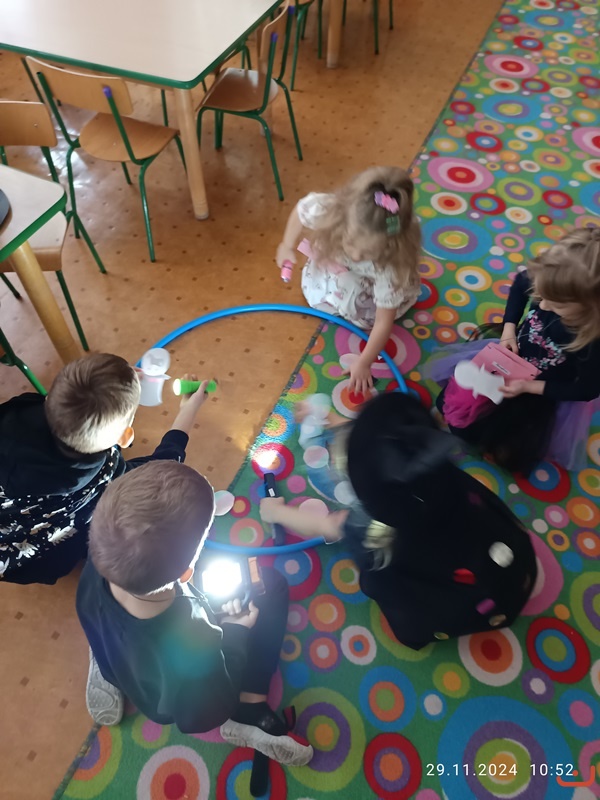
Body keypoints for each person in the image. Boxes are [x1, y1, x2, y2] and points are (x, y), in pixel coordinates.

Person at [76, 461, 313, 767]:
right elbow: (204, 714)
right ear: (187, 572)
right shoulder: (198, 638)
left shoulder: (97, 563)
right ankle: (248, 709)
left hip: (119, 648)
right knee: (273, 585)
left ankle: (108, 670)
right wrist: (235, 631)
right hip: (180, 693)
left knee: (121, 642)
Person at [260, 392, 537, 651]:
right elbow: (391, 448)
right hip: (514, 561)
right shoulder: (435, 469)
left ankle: (424, 629)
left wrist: (276, 513)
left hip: (473, 602)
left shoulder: (368, 529)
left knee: (394, 593)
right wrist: (330, 420)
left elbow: (327, 527)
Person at [0, 353, 209, 585]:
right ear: (125, 437)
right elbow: (163, 465)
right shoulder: (106, 476)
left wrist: (110, 385)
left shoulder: (18, 408)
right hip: (38, 551)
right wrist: (189, 407)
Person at [427, 227, 600, 472]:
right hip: (508, 358)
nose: (543, 305)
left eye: (557, 305)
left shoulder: (591, 342)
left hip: (541, 388)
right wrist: (509, 328)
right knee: (453, 408)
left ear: (592, 308)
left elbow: (587, 389)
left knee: (503, 443)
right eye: (540, 295)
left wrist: (529, 387)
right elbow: (520, 285)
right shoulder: (551, 278)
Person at [276, 166, 422, 394]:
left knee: (365, 313)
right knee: (329, 282)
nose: (355, 255)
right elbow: (301, 210)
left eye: (367, 253)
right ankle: (337, 283)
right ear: (342, 219)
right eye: (351, 243)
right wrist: (285, 245)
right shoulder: (333, 210)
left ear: (389, 245)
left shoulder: (391, 265)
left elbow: (383, 323)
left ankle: (348, 290)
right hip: (334, 265)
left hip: (371, 284)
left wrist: (364, 362)